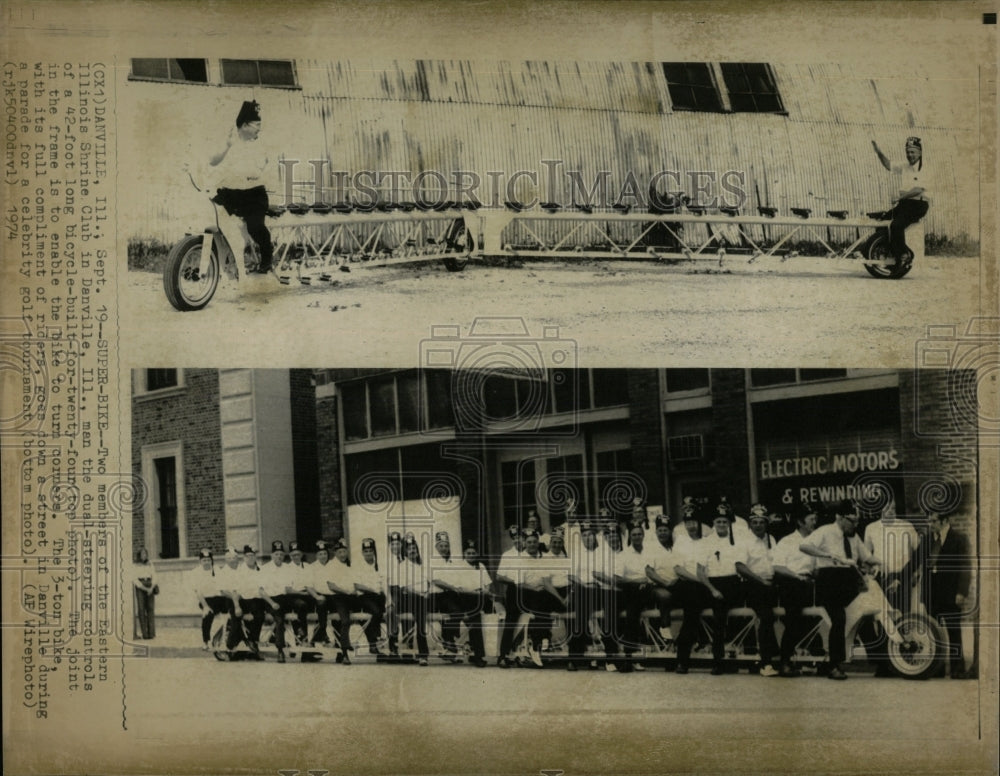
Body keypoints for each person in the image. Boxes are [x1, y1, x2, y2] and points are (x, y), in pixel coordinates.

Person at [799, 501, 878, 680]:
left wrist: (882, 563)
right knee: (839, 618)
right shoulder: (825, 531)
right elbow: (804, 546)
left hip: (849, 579)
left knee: (865, 615)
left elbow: (867, 556)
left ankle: (880, 662)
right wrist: (827, 555)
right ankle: (834, 666)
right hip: (829, 581)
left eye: (857, 522)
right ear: (840, 518)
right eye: (852, 521)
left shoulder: (854, 537)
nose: (855, 525)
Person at [208, 99, 274, 274]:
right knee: (212, 214)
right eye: (257, 124)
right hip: (232, 193)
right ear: (245, 125)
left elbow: (265, 166)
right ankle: (219, 260)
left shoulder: (259, 143)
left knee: (255, 226)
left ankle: (267, 257)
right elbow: (213, 161)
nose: (259, 128)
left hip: (254, 194)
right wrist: (226, 147)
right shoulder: (230, 139)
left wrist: (258, 172)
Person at [862, 496, 921, 675]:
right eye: (887, 508)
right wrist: (872, 573)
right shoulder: (871, 528)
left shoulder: (907, 526)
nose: (890, 511)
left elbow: (918, 554)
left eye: (893, 508)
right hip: (881, 578)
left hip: (902, 577)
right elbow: (866, 557)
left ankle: (904, 660)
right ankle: (884, 665)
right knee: (882, 620)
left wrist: (915, 574)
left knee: (902, 619)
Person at [699, 511, 751, 675]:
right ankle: (718, 661)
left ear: (729, 523)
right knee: (719, 620)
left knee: (744, 617)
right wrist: (713, 590)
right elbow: (700, 572)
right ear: (714, 523)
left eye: (724, 521)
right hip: (715, 583)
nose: (721, 524)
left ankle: (747, 658)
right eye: (718, 521)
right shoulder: (706, 542)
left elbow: (741, 566)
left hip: (733, 582)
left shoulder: (737, 541)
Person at [772, 503, 820, 677]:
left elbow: (815, 569)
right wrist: (797, 576)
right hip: (790, 584)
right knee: (794, 620)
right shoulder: (787, 541)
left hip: (809, 584)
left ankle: (819, 659)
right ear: (800, 522)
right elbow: (777, 567)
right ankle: (784, 662)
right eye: (811, 519)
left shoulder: (815, 542)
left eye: (815, 519)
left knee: (815, 620)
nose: (814, 522)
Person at [924, 510, 972, 679]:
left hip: (951, 594)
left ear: (945, 520)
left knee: (953, 631)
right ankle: (936, 669)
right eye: (929, 521)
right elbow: (916, 562)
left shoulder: (959, 539)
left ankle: (957, 669)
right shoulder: (929, 540)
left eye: (934, 521)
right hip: (932, 594)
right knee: (934, 633)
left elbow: (965, 567)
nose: (931, 524)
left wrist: (961, 592)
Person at [566, 522, 618, 672]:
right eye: (584, 535)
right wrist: (584, 583)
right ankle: (573, 659)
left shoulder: (604, 552)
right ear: (581, 537)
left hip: (601, 589)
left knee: (608, 617)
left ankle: (611, 659)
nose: (587, 538)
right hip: (583, 589)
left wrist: (597, 583)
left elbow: (608, 575)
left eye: (590, 534)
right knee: (580, 618)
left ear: (595, 536)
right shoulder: (577, 553)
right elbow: (570, 575)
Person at [431, 540, 491, 667]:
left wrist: (486, 591)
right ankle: (471, 653)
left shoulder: (481, 566)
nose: (471, 555)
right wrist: (478, 593)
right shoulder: (458, 566)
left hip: (480, 598)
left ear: (477, 554)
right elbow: (459, 587)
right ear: (464, 554)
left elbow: (488, 585)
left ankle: (479, 653)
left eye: (473, 553)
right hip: (465, 598)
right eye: (468, 553)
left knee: (484, 620)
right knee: (471, 620)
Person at [870, 136, 929, 261]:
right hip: (905, 204)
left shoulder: (926, 168)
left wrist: (901, 197)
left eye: (913, 152)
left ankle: (903, 254)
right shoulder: (905, 166)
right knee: (882, 222)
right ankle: (885, 251)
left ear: (920, 152)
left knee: (897, 225)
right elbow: (888, 165)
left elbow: (918, 189)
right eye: (907, 152)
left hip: (918, 205)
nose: (910, 155)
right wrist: (878, 152)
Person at [740, 506, 781, 677]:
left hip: (771, 583)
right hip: (753, 584)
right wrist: (761, 580)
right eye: (754, 522)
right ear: (750, 524)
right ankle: (766, 663)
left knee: (795, 609)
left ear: (766, 524)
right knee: (766, 616)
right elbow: (740, 566)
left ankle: (786, 657)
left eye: (761, 522)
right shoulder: (745, 541)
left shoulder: (770, 538)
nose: (758, 526)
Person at [615, 523, 652, 672]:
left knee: (632, 610)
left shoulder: (650, 552)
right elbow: (617, 578)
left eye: (639, 534)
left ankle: (629, 656)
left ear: (643, 535)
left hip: (649, 588)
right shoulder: (624, 555)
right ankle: (629, 655)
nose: (637, 537)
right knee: (632, 612)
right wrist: (637, 581)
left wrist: (647, 581)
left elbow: (656, 571)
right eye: (634, 534)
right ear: (630, 537)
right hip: (630, 589)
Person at [224, 545, 266, 658]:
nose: (250, 558)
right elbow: (235, 591)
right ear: (244, 558)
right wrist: (237, 607)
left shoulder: (261, 569)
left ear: (255, 556)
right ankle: (230, 646)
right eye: (248, 556)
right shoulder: (240, 571)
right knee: (237, 619)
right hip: (241, 600)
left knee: (260, 616)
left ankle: (253, 641)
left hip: (256, 600)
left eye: (252, 555)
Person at [645, 514, 680, 639]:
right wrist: (665, 583)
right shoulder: (651, 548)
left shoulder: (674, 548)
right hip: (657, 586)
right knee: (665, 596)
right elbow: (649, 571)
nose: (663, 533)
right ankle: (665, 627)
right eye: (660, 530)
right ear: (656, 532)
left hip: (675, 584)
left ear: (670, 531)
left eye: (665, 530)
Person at [398, 535, 431, 665]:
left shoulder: (422, 565)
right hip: (408, 599)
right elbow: (404, 588)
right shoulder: (402, 566)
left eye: (414, 548)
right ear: (405, 552)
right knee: (421, 616)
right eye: (409, 549)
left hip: (423, 598)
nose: (412, 551)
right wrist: (421, 594)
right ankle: (423, 654)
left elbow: (428, 583)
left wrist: (427, 592)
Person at [257, 540, 291, 663]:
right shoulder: (265, 569)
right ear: (272, 556)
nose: (279, 557)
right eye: (276, 554)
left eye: (281, 554)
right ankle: (280, 651)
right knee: (280, 620)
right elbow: (261, 591)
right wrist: (272, 603)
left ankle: (303, 640)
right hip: (270, 600)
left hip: (283, 599)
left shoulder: (287, 568)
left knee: (301, 608)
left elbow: (288, 589)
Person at [324, 538, 357, 664]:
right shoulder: (331, 566)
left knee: (370, 612)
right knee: (345, 621)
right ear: (335, 553)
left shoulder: (350, 564)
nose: (342, 554)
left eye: (344, 551)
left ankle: (374, 643)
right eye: (339, 552)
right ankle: (344, 653)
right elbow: (331, 586)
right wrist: (346, 591)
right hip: (338, 597)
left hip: (352, 596)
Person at [352, 538, 386, 658]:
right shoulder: (358, 566)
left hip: (378, 596)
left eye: (370, 551)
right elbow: (357, 585)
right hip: (364, 596)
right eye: (365, 551)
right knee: (375, 612)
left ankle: (377, 643)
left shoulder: (379, 565)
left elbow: (383, 582)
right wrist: (372, 590)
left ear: (374, 552)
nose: (368, 553)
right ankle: (374, 640)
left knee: (385, 612)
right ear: (362, 553)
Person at [429, 531, 461, 657]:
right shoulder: (433, 561)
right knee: (452, 612)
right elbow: (436, 581)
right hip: (436, 595)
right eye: (441, 546)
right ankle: (449, 641)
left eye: (446, 546)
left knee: (458, 610)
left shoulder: (451, 562)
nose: (444, 549)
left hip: (449, 595)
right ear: (436, 547)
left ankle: (450, 640)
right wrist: (452, 587)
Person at [192, 548, 227, 651]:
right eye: (204, 560)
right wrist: (206, 607)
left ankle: (225, 637)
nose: (206, 562)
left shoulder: (217, 570)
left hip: (219, 598)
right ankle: (205, 641)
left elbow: (223, 587)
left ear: (211, 560)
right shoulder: (196, 572)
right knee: (208, 615)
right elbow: (198, 592)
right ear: (200, 561)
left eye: (208, 560)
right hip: (206, 600)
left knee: (229, 612)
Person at [283, 540, 314, 645]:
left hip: (307, 594)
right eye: (293, 555)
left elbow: (311, 583)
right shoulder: (287, 568)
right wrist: (303, 594)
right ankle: (301, 638)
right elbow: (288, 590)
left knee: (321, 603)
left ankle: (318, 637)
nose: (296, 557)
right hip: (293, 596)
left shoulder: (307, 566)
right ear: (290, 556)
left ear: (301, 554)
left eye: (298, 554)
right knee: (301, 606)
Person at [306, 540, 334, 647]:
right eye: (320, 554)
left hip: (331, 595)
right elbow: (308, 586)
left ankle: (338, 641)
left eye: (325, 553)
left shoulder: (332, 565)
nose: (323, 556)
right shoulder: (312, 567)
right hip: (317, 595)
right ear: (316, 555)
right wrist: (317, 596)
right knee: (321, 604)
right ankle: (321, 632)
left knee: (338, 610)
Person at [383, 532, 405, 659]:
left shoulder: (405, 558)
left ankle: (408, 644)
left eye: (397, 543)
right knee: (392, 611)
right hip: (392, 590)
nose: (395, 546)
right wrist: (388, 598)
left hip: (405, 590)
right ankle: (393, 645)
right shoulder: (386, 560)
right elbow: (385, 581)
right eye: (393, 544)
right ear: (389, 545)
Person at [132, 547, 159, 640]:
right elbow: (134, 579)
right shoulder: (135, 565)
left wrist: (151, 587)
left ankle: (151, 633)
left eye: (145, 554)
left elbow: (154, 575)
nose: (144, 556)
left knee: (150, 609)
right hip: (140, 586)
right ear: (139, 555)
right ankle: (145, 634)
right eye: (142, 554)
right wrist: (143, 588)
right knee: (141, 609)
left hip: (150, 585)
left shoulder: (150, 564)